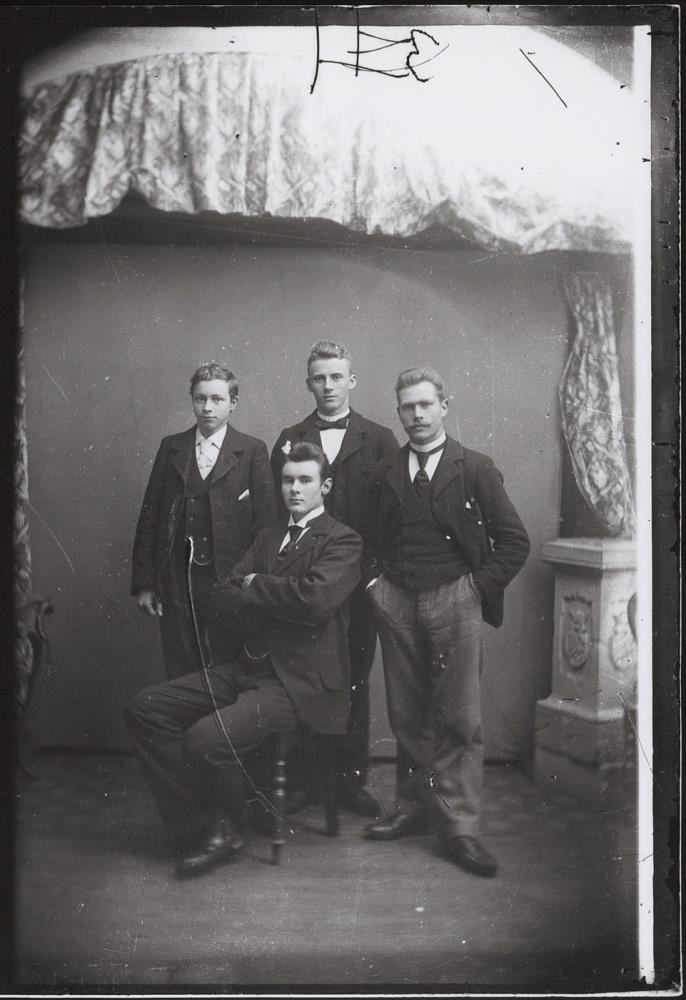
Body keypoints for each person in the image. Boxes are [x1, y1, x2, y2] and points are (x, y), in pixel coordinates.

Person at [125, 443, 362, 877]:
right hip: (248, 667)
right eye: (287, 480)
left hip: (299, 683)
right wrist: (277, 594)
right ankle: (203, 822)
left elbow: (314, 602)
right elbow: (220, 596)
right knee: (145, 709)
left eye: (305, 480)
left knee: (205, 739)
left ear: (325, 486)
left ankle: (227, 828)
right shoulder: (267, 537)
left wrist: (255, 585)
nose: (294, 489)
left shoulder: (343, 540)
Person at [362, 367, 530, 876]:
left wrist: (473, 590)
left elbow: (514, 542)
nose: (416, 415)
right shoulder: (385, 471)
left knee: (459, 718)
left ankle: (459, 827)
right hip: (397, 599)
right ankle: (414, 807)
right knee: (407, 713)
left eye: (424, 405)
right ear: (399, 412)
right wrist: (376, 587)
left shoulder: (475, 467)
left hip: (455, 599)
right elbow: (366, 540)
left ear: (444, 406)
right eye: (407, 407)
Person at [271, 341, 398, 817]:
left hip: (360, 584)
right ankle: (307, 780)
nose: (328, 386)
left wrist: (376, 577)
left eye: (336, 377)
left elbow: (390, 515)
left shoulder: (379, 439)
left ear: (351, 380)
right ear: (308, 383)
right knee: (306, 675)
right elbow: (276, 512)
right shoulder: (290, 437)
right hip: (307, 584)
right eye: (319, 378)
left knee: (355, 678)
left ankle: (350, 779)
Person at [131, 363, 277, 678]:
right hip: (177, 579)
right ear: (193, 400)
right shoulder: (172, 447)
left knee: (228, 661)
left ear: (233, 403)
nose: (207, 407)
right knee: (181, 659)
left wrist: (256, 582)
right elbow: (150, 515)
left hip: (231, 578)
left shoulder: (252, 450)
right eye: (200, 399)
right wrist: (144, 583)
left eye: (217, 399)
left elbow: (266, 525)